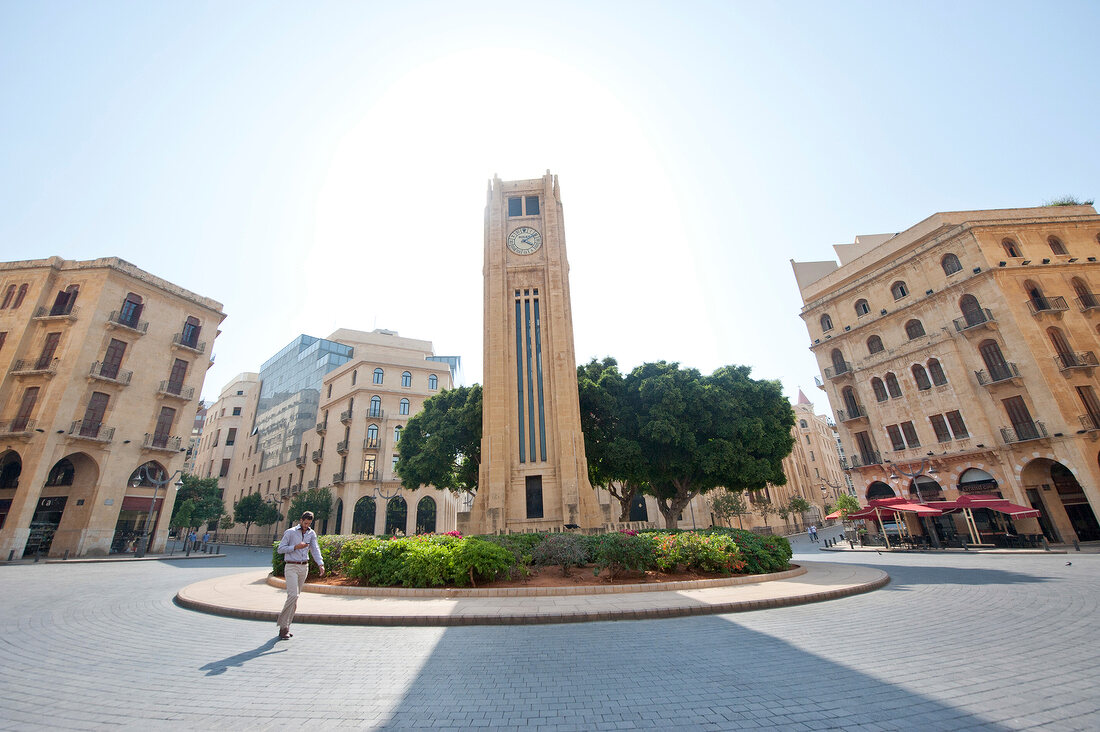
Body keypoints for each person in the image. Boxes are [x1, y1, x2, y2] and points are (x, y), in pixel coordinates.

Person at [276, 511, 325, 640]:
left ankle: (286, 626)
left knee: (295, 599)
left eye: (309, 523)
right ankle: (283, 626)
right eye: (305, 522)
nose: (306, 525)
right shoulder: (290, 532)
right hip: (291, 566)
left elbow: (315, 549)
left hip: (304, 567)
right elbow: (280, 549)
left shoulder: (311, 533)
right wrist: (295, 547)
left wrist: (320, 563)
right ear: (301, 520)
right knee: (293, 595)